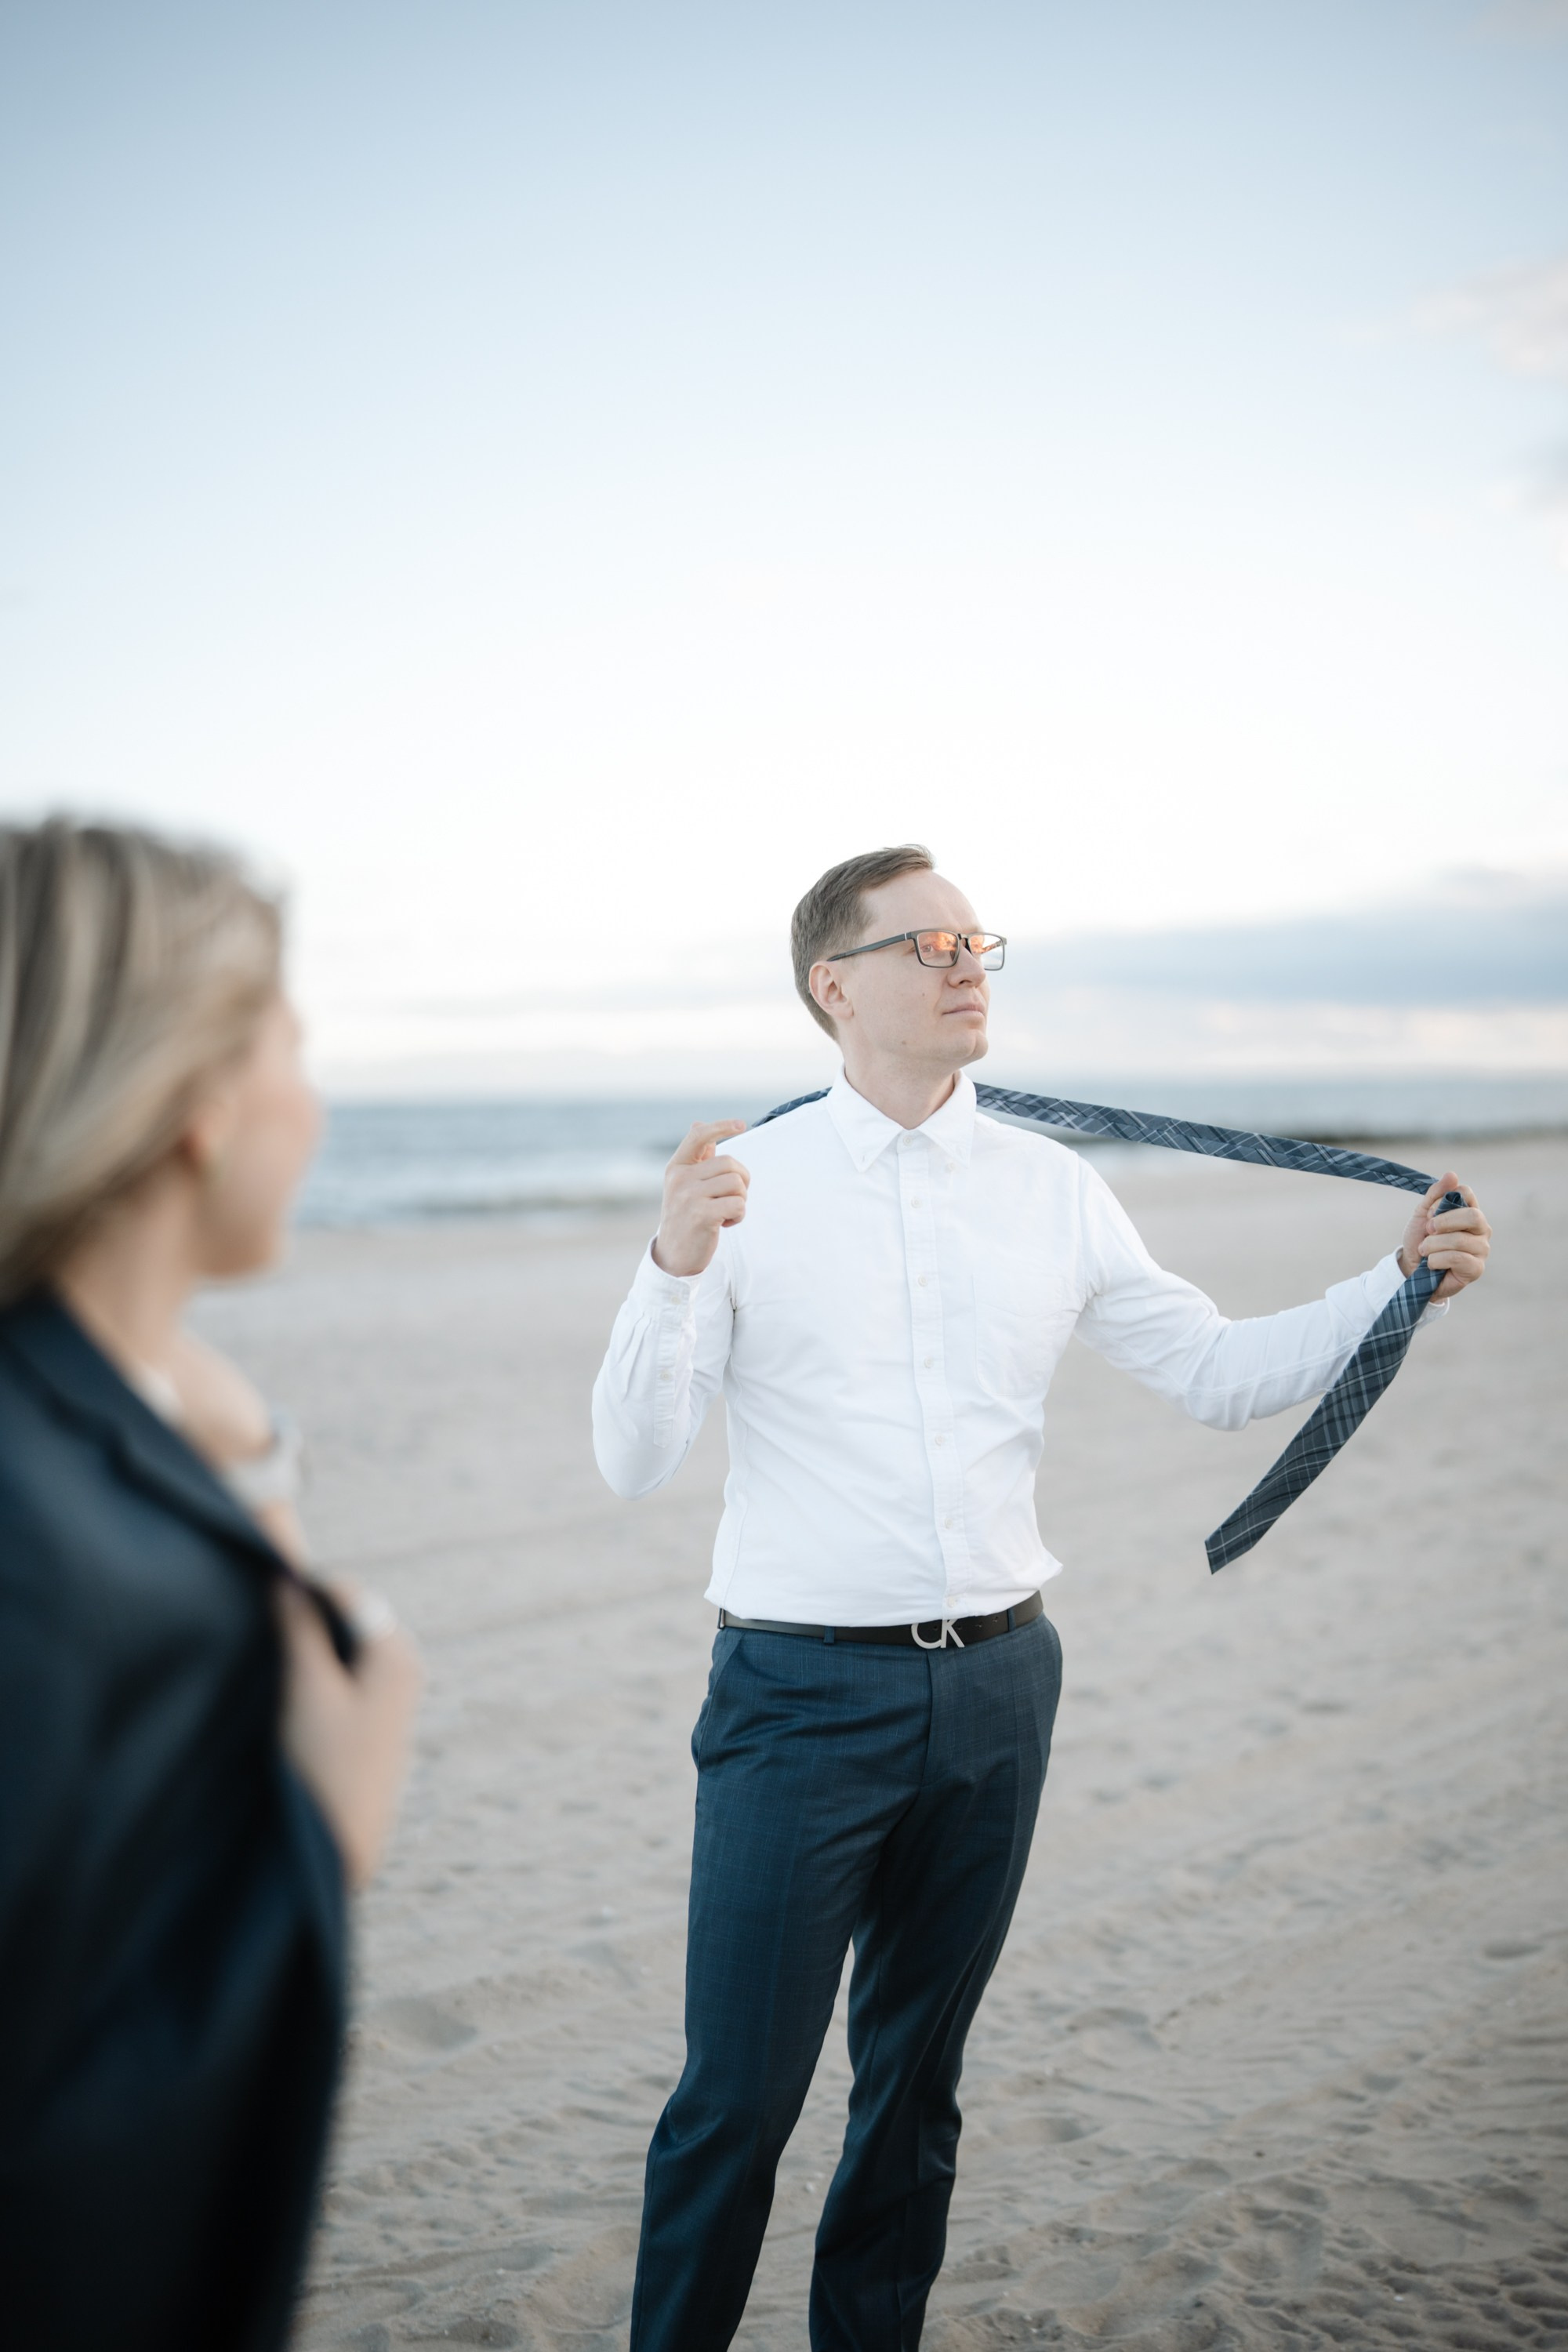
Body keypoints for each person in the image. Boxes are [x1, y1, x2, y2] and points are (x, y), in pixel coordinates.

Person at [592, 842, 1492, 2352]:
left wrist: (1390, 1282)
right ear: (835, 985)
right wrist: (672, 1264)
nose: (965, 965)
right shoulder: (747, 1185)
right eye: (926, 945)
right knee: (734, 2103)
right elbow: (634, 1458)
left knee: (915, 2090)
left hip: (1004, 1687)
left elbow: (1214, 1375)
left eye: (975, 944)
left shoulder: (1052, 1185)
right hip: (797, 1701)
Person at [0, 817, 422, 2352]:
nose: (311, 1109)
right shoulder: (46, 1548)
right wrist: (326, 1833)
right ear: (192, 1099)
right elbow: (74, 2141)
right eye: (291, 1054)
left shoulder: (97, 1423)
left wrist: (243, 1455)